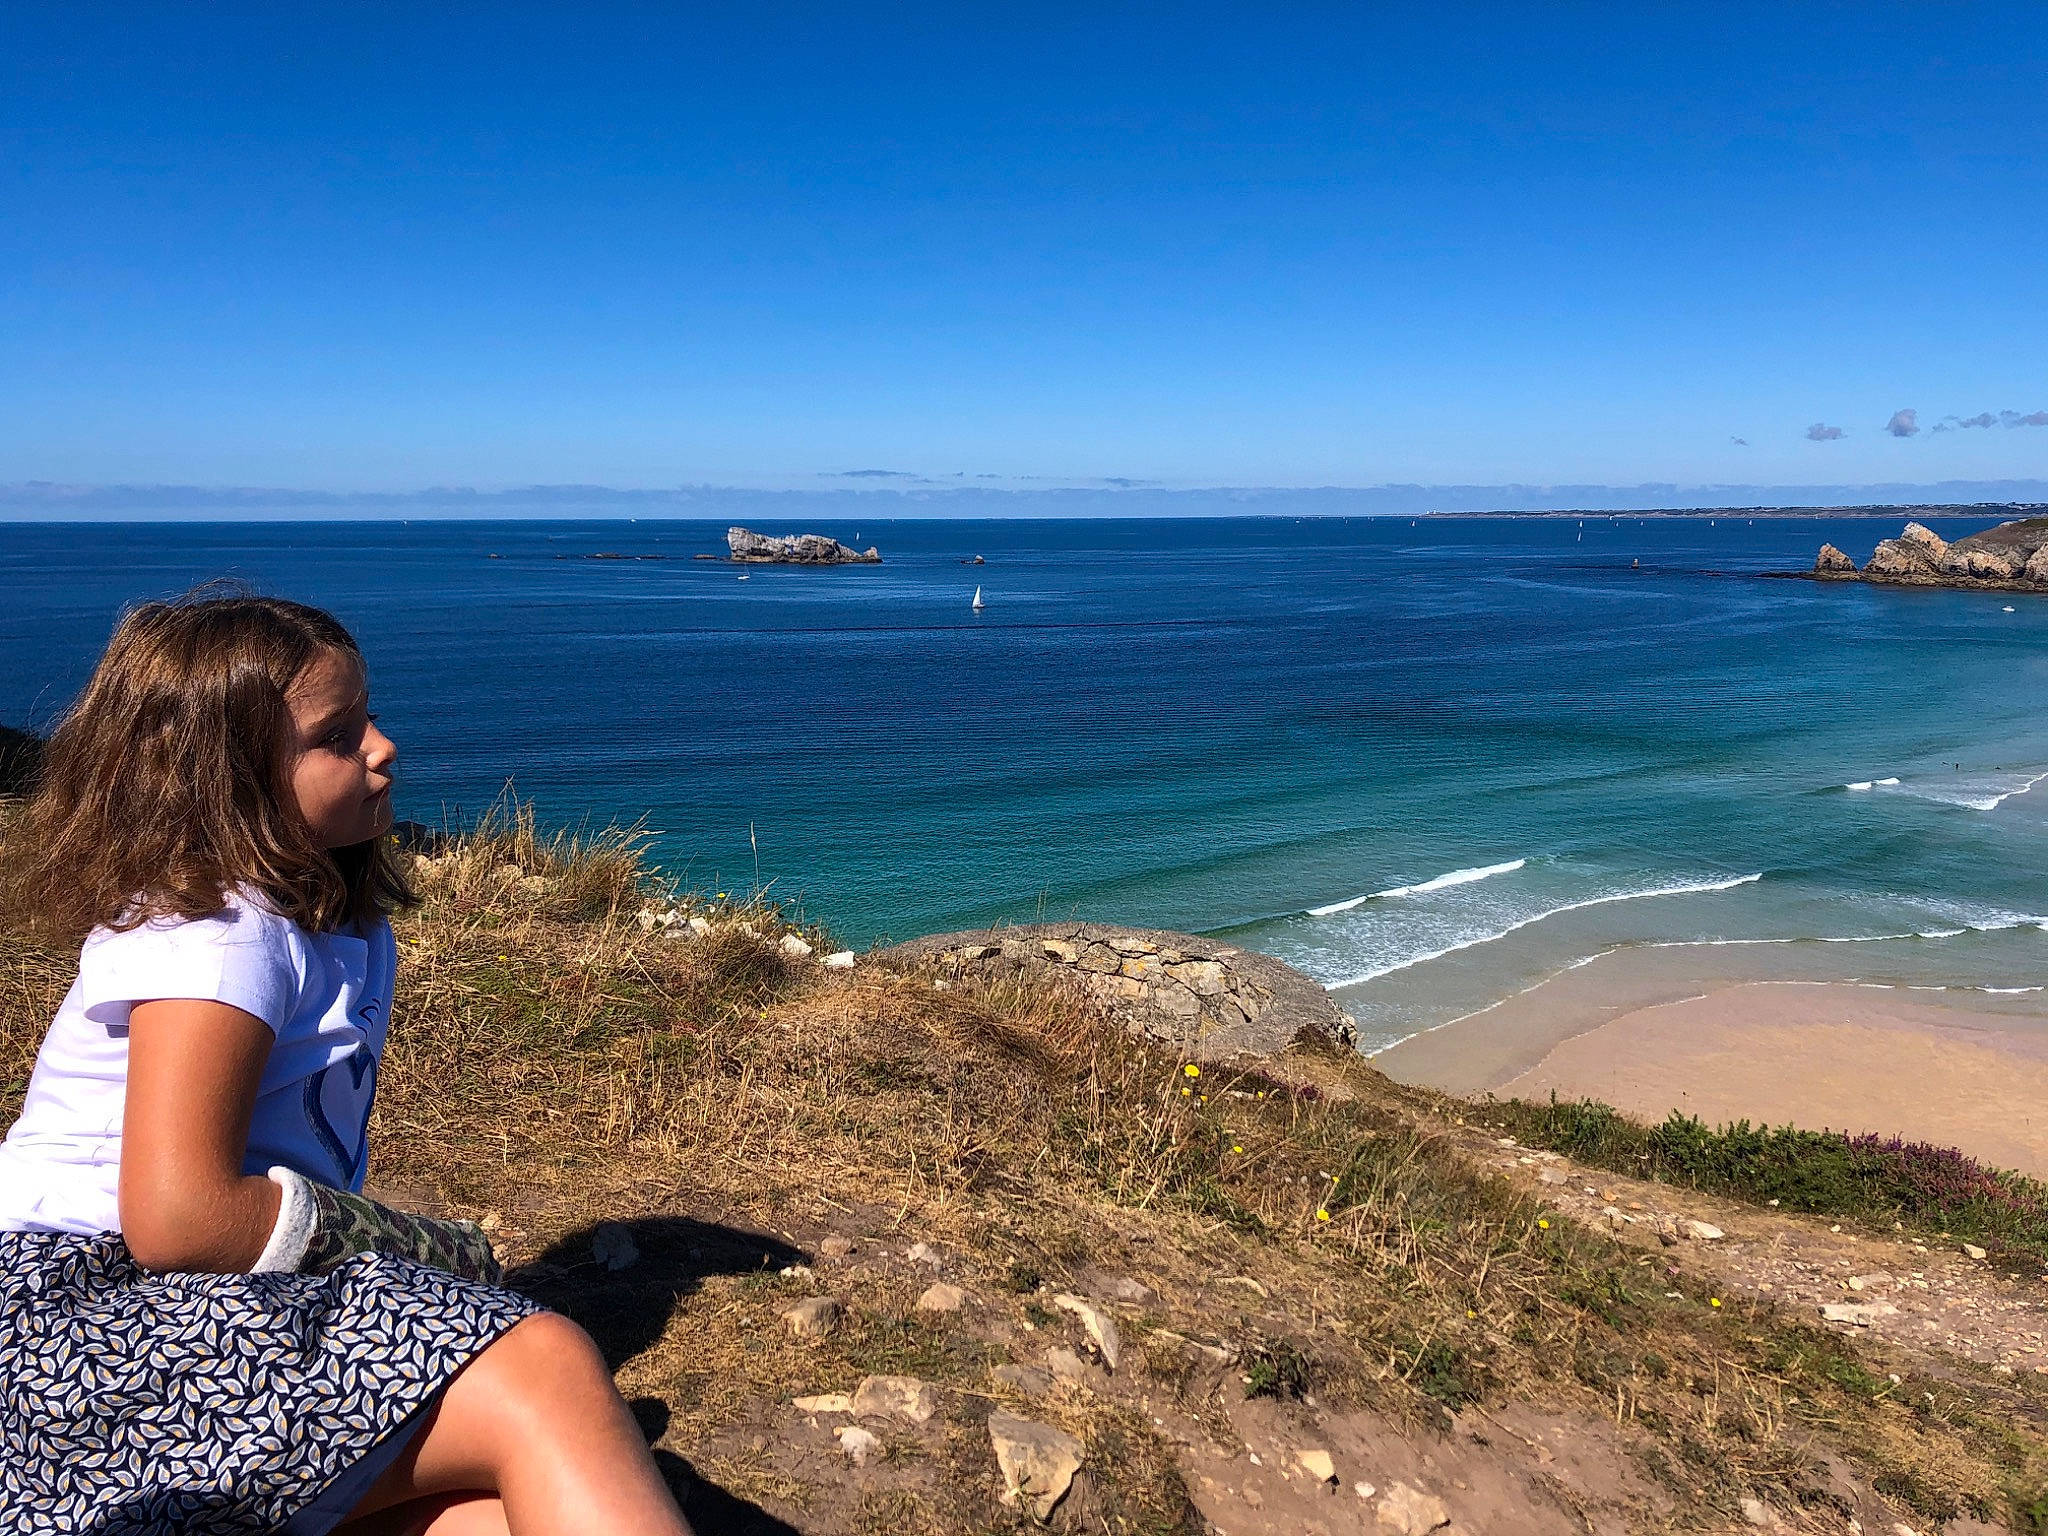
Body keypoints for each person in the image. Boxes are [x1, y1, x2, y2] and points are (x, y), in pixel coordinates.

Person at [0, 593, 694, 1536]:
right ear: (228, 781)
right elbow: (178, 1216)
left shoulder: (332, 922)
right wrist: (426, 1248)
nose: (383, 746)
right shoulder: (218, 933)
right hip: (78, 1317)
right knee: (546, 1368)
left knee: (485, 1517)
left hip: (184, 1304)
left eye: (368, 716)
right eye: (337, 736)